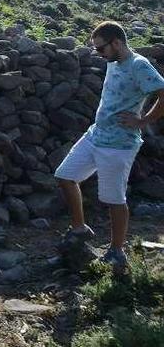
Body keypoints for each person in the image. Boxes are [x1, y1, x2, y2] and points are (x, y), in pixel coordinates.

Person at [55, 21, 164, 272]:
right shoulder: (114, 62)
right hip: (95, 135)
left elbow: (162, 92)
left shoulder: (139, 65)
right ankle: (80, 229)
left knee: (114, 199)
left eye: (101, 48)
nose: (99, 54)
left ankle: (116, 252)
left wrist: (143, 120)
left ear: (116, 42)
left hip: (119, 144)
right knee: (65, 176)